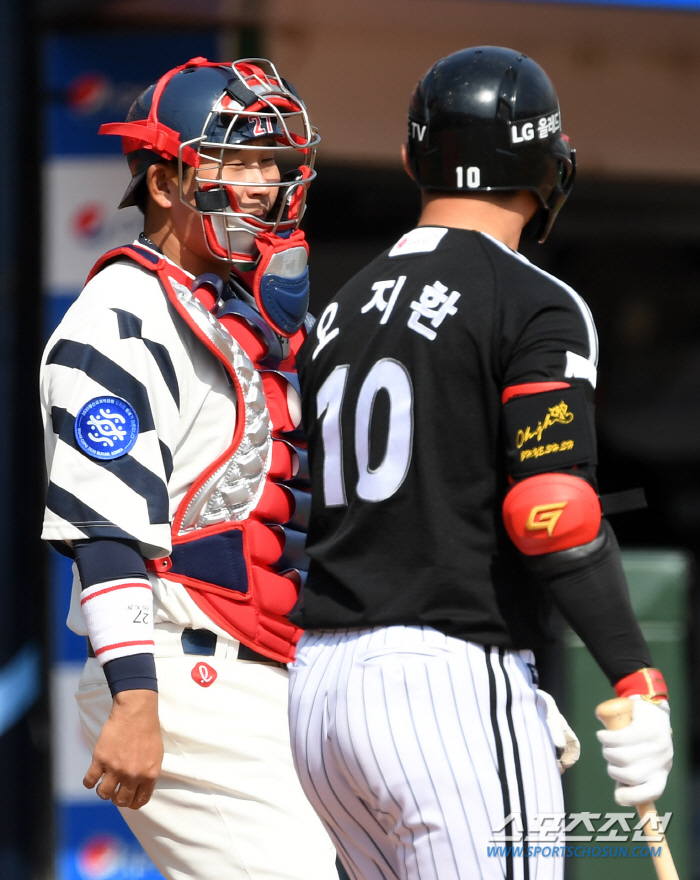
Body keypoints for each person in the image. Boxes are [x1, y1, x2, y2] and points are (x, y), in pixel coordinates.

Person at [287, 46, 674, 880]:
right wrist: (636, 673)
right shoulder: (532, 296)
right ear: (548, 165)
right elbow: (552, 510)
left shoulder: (339, 308)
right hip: (446, 674)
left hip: (319, 690)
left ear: (411, 160)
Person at [40, 57, 338, 880]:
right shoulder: (120, 316)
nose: (266, 184)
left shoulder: (239, 315)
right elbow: (105, 527)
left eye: (273, 164)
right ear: (168, 181)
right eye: (238, 160)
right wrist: (137, 697)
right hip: (180, 667)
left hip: (271, 671)